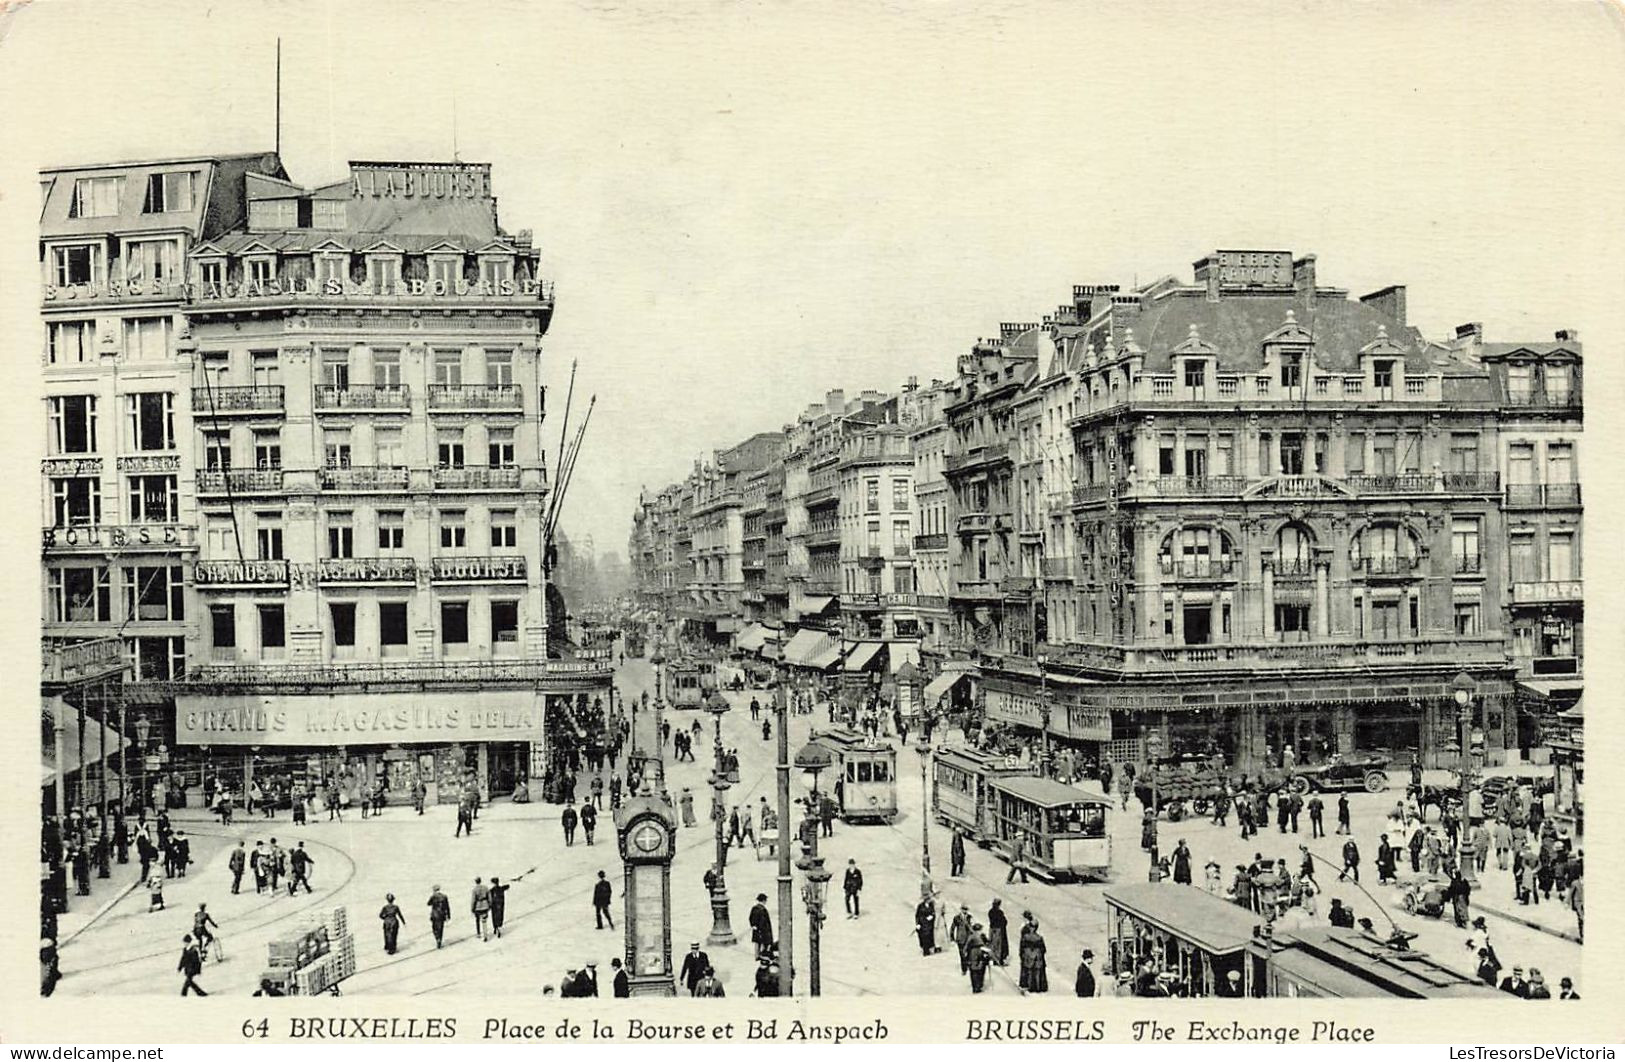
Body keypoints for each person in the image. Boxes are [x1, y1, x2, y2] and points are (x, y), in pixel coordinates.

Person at [1018, 915, 1048, 994]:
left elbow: (1021, 948)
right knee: (1037, 972)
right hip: (1037, 958)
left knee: (1028, 972)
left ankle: (1027, 986)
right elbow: (1043, 949)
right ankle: (1038, 987)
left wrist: (1023, 955)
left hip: (1027, 958)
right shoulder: (1039, 938)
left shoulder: (1025, 937)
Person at [965, 923, 992, 994]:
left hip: (981, 955)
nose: (980, 932)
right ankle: (975, 987)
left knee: (981, 969)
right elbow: (967, 946)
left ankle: (979, 985)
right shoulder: (971, 937)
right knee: (974, 970)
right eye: (979, 930)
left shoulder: (982, 936)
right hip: (973, 955)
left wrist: (987, 951)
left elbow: (987, 943)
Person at [950, 904, 973, 974]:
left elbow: (972, 927)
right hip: (960, 938)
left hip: (968, 938)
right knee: (962, 953)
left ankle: (968, 965)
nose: (965, 911)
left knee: (968, 952)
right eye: (963, 909)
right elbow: (952, 928)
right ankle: (964, 969)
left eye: (966, 909)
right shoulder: (957, 918)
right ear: (961, 910)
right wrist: (952, 937)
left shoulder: (969, 917)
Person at [749, 893, 773, 958]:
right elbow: (764, 921)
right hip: (763, 929)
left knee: (757, 942)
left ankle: (757, 955)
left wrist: (753, 925)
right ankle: (762, 954)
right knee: (764, 942)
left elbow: (750, 917)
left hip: (756, 929)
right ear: (763, 901)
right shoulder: (763, 910)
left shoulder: (754, 908)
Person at [987, 898, 1010, 966]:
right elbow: (1004, 921)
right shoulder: (999, 912)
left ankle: (992, 958)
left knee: (992, 943)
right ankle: (997, 959)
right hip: (998, 929)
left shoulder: (990, 911)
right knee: (998, 944)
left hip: (992, 929)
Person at [471, 878, 492, 942]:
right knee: (484, 921)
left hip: (478, 907)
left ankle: (478, 933)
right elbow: (489, 898)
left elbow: (473, 900)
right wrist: (489, 905)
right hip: (485, 906)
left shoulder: (474, 890)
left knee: (477, 920)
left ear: (475, 882)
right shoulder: (485, 888)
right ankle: (485, 935)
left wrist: (472, 908)